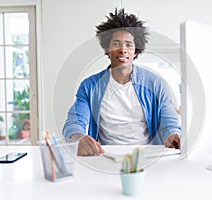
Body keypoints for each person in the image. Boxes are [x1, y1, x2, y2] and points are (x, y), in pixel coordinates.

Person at [63, 8, 181, 156]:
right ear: (107, 48)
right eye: (116, 44)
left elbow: (170, 123)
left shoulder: (156, 84)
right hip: (106, 155)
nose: (123, 50)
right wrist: (78, 138)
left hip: (146, 155)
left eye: (129, 45)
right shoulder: (90, 86)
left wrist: (172, 136)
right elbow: (74, 122)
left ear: (136, 51)